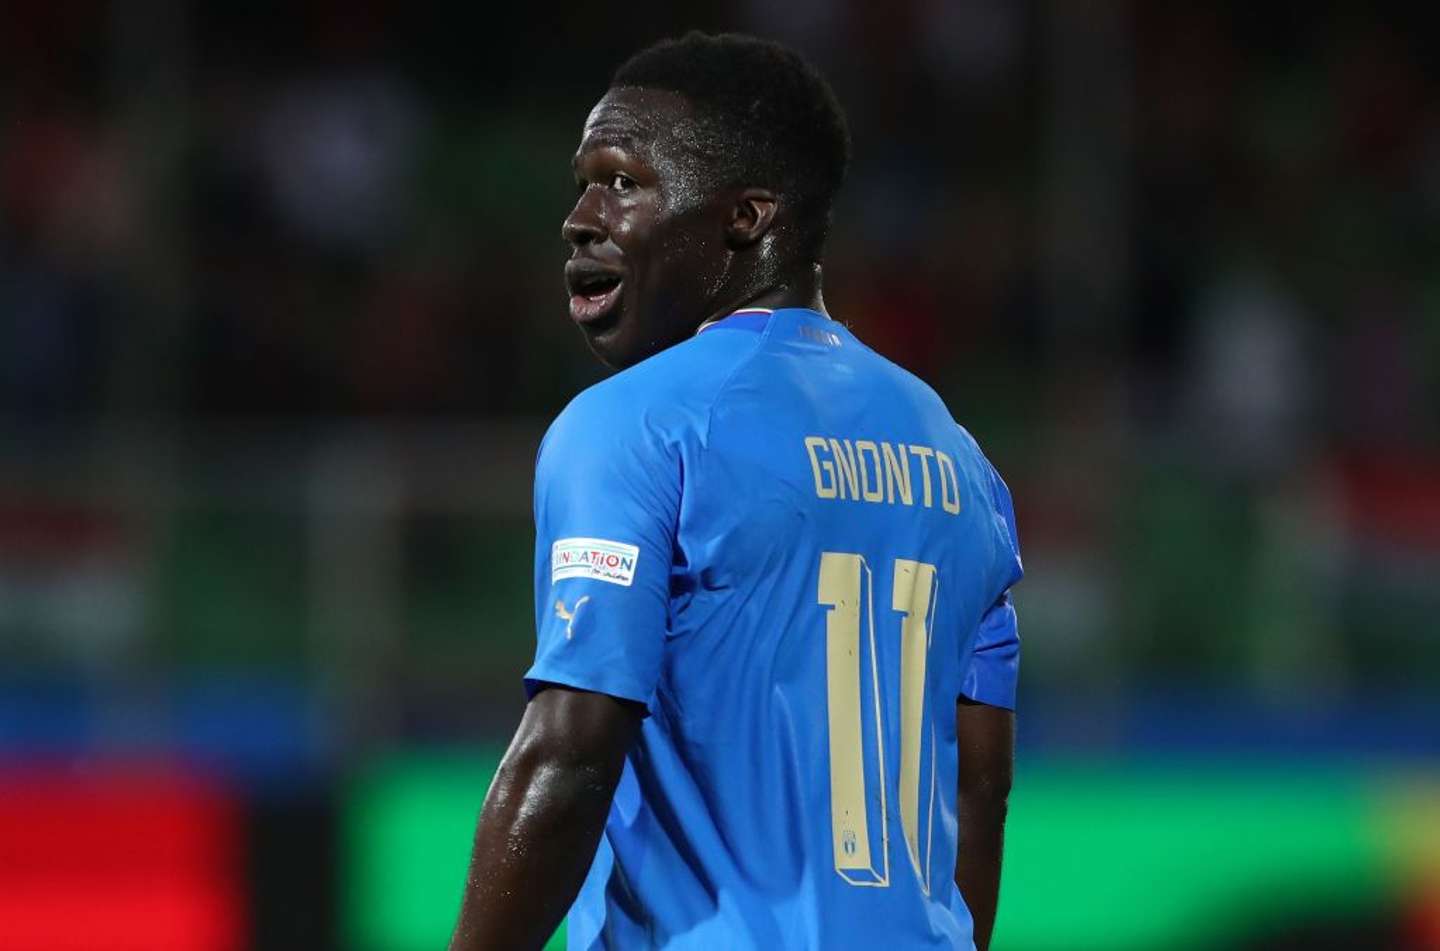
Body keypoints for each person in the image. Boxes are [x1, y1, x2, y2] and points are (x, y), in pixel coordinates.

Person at [450, 31, 1022, 951]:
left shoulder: (633, 426)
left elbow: (570, 750)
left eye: (623, 182)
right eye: (583, 185)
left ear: (747, 218)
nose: (581, 218)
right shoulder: (963, 462)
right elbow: (978, 785)